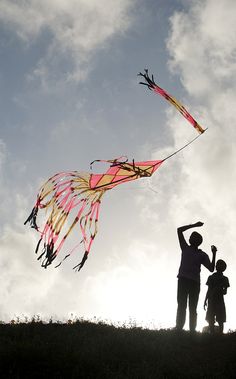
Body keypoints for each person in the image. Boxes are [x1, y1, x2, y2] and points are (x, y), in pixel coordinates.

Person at [176, 221, 216, 333]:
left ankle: (192, 330)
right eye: (191, 237)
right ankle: (179, 328)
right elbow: (179, 230)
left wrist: (214, 254)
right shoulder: (185, 247)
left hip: (194, 282)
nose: (190, 238)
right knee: (182, 305)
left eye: (192, 237)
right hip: (183, 279)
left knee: (192, 307)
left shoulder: (202, 254)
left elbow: (211, 268)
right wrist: (194, 225)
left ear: (198, 241)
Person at [204, 259, 229, 334]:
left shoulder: (225, 279)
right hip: (211, 300)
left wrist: (219, 289)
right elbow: (208, 290)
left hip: (219, 300)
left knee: (220, 319)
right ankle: (212, 334)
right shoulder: (211, 277)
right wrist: (205, 300)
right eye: (218, 264)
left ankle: (220, 334)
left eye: (221, 265)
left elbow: (225, 292)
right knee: (210, 318)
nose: (219, 266)